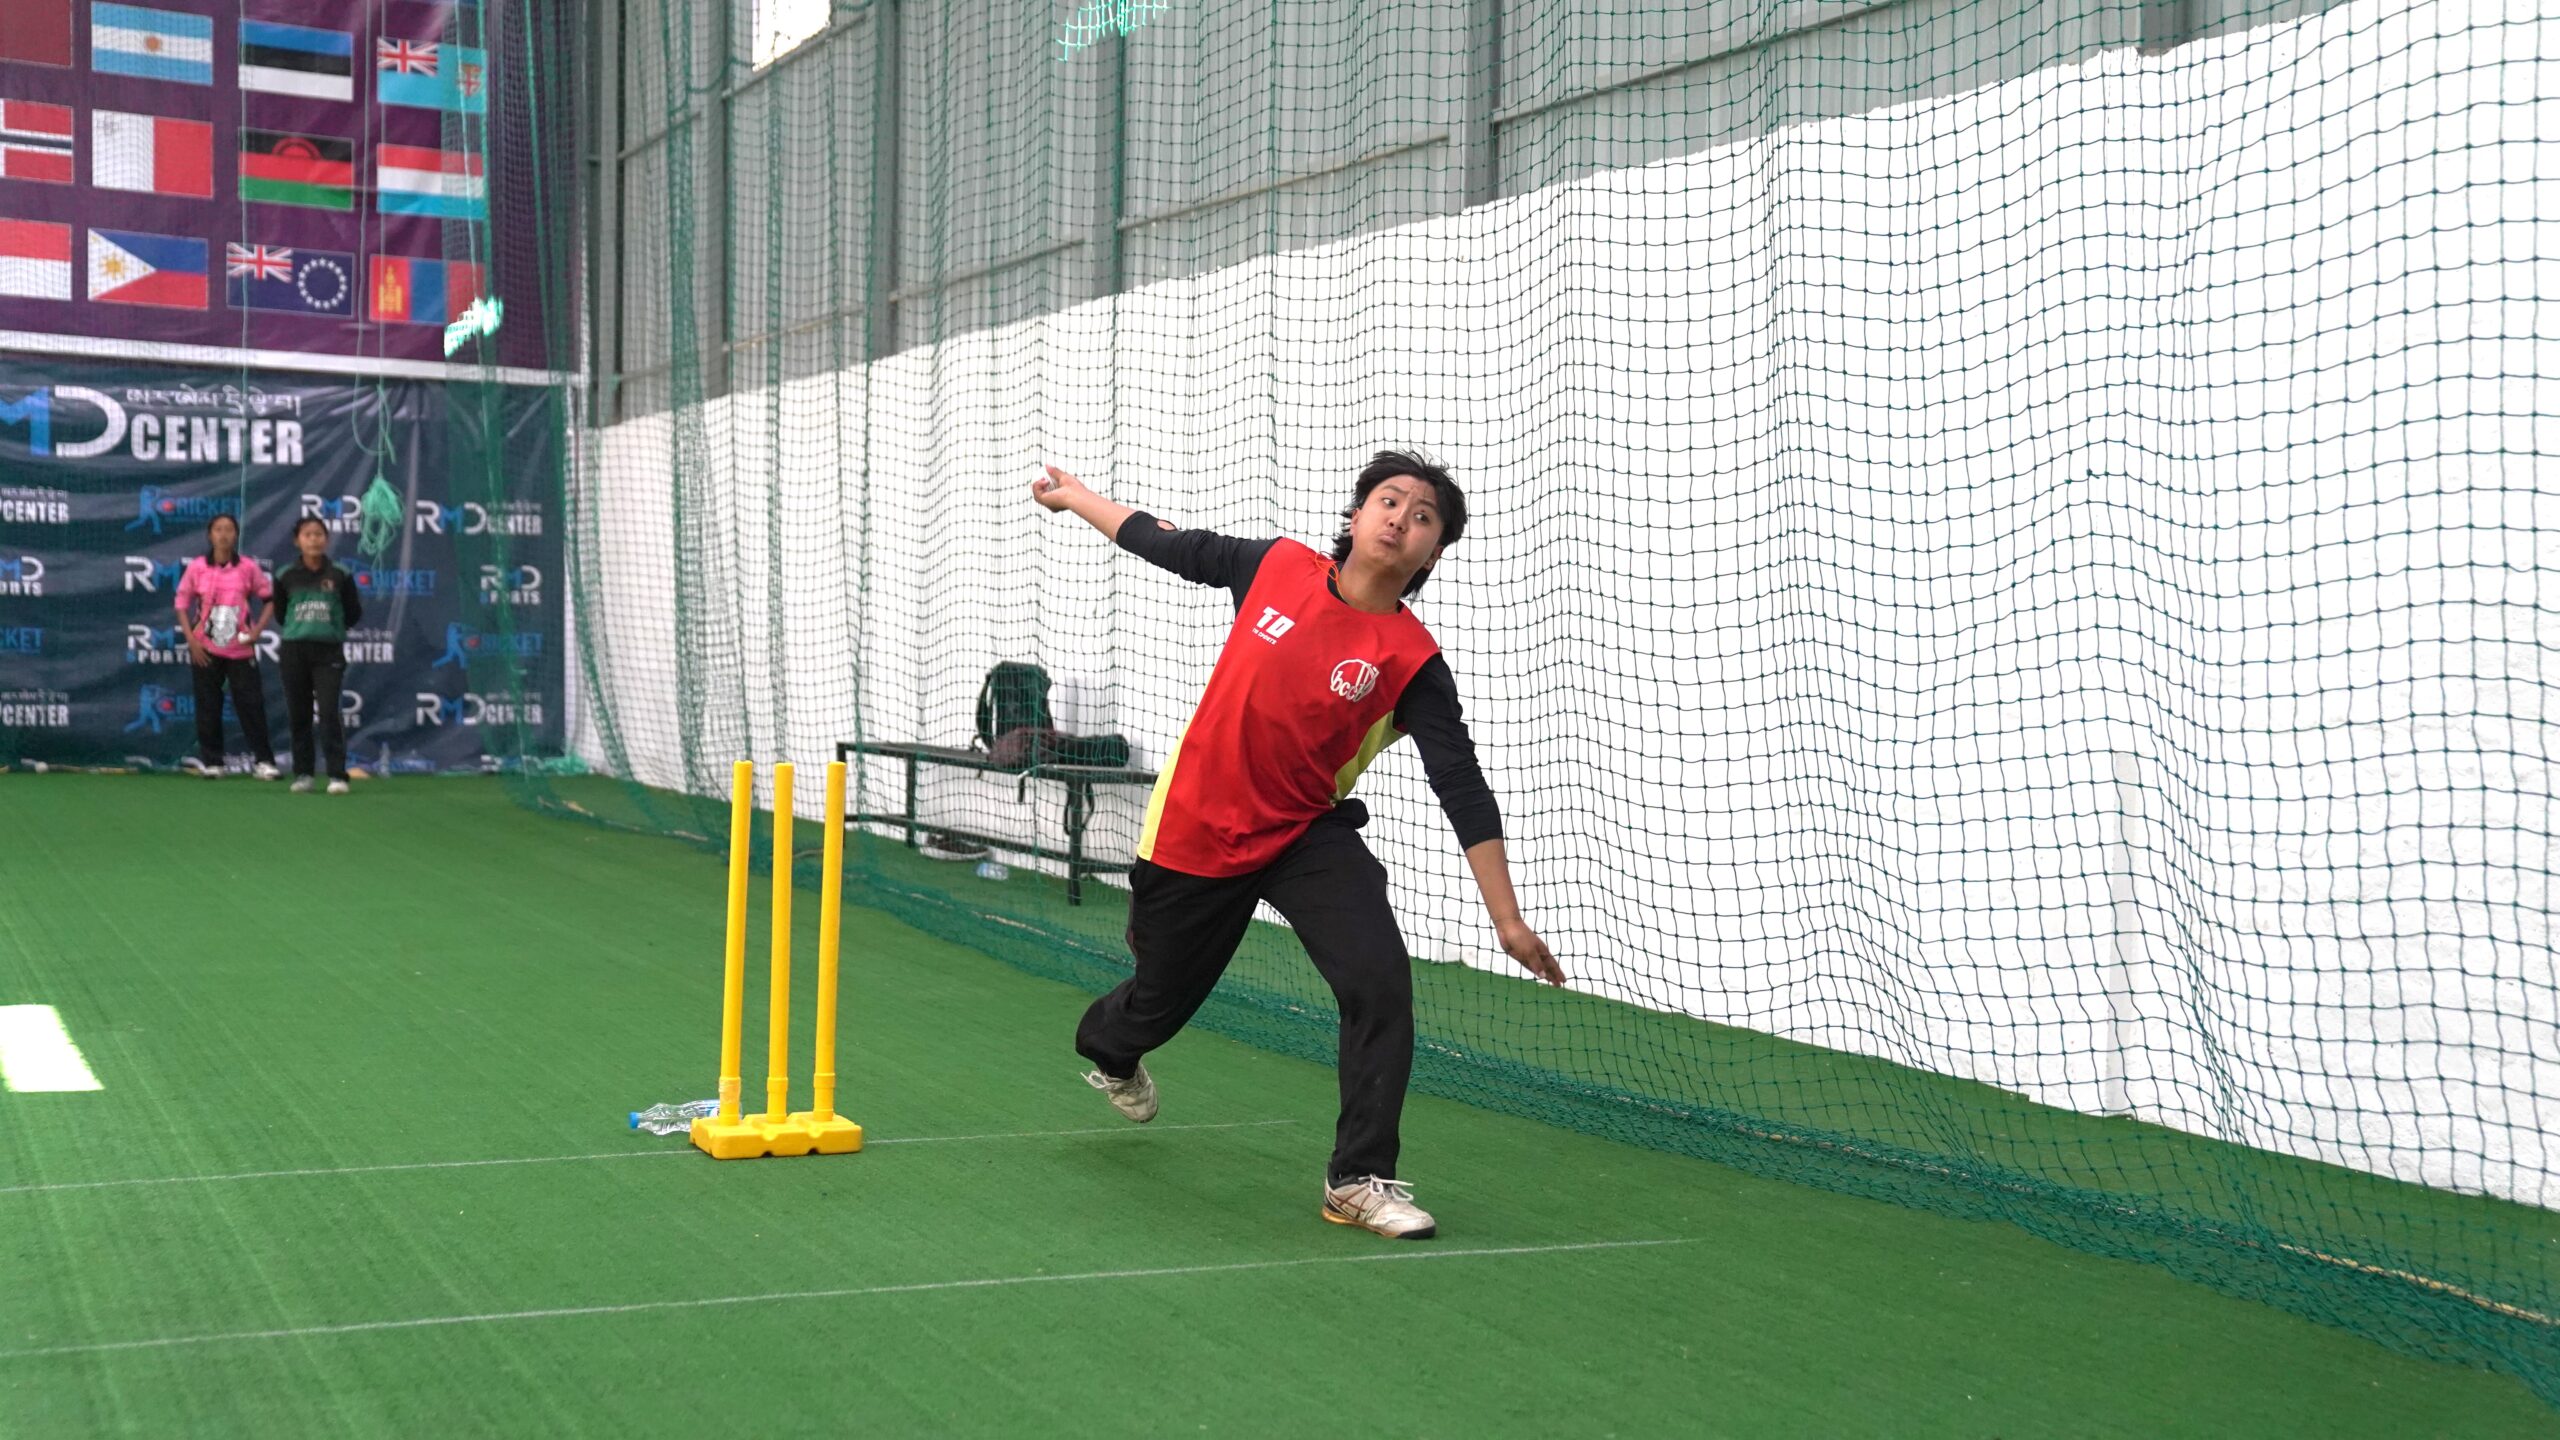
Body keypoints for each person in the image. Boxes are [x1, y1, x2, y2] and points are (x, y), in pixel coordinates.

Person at [1032, 450, 1565, 1241]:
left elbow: (1462, 785)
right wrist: (1078, 498)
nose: (1401, 519)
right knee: (1158, 999)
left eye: (1423, 517)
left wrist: (1508, 919)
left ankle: (1357, 1179)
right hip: (1196, 825)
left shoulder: (1414, 664)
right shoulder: (1276, 567)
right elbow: (1165, 542)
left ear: (1433, 554)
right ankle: (1111, 1050)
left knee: (1379, 980)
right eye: (1390, 501)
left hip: (1306, 831)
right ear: (1356, 516)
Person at [174, 513, 278, 780]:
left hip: (240, 649)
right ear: (210, 535)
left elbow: (269, 600)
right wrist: (191, 641)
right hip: (205, 649)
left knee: (251, 706)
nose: (224, 535)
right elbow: (181, 604)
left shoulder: (248, 567)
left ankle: (264, 762)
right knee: (208, 705)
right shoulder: (197, 567)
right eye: (218, 529)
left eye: (229, 529)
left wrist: (257, 631)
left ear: (236, 535)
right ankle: (213, 763)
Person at [271, 516, 363, 794]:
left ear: (326, 539)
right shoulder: (285, 575)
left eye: (319, 534)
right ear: (297, 541)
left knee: (328, 712)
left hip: (328, 652)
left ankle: (337, 775)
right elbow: (280, 614)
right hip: (294, 651)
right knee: (299, 714)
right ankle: (303, 774)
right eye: (307, 535)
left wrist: (329, 629)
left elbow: (353, 612)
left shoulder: (340, 574)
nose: (314, 539)